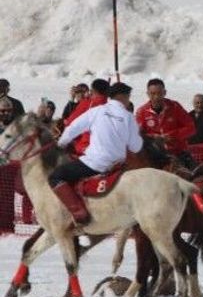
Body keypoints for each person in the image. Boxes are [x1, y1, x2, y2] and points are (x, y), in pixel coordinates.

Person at [51, 82, 143, 225]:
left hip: (95, 164)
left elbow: (72, 128)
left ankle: (78, 213)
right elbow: (136, 147)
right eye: (128, 97)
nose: (128, 101)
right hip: (117, 166)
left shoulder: (97, 111)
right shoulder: (129, 117)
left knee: (55, 176)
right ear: (121, 97)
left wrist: (61, 144)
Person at [136, 78, 197, 169]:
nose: (156, 97)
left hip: (178, 154)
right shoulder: (142, 112)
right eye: (153, 94)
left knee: (196, 178)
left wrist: (172, 135)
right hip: (154, 157)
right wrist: (153, 137)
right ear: (148, 94)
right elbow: (137, 135)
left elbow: (191, 127)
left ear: (164, 92)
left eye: (159, 93)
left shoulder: (175, 107)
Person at [65, 78, 110, 157]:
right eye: (78, 92)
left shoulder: (88, 103)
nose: (81, 94)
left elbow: (70, 123)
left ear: (92, 91)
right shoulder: (111, 106)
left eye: (82, 91)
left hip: (85, 148)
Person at [0, 98, 16, 233]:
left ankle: (6, 226)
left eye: (8, 111)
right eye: (2, 111)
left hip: (9, 169)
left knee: (7, 199)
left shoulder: (15, 127)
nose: (5, 113)